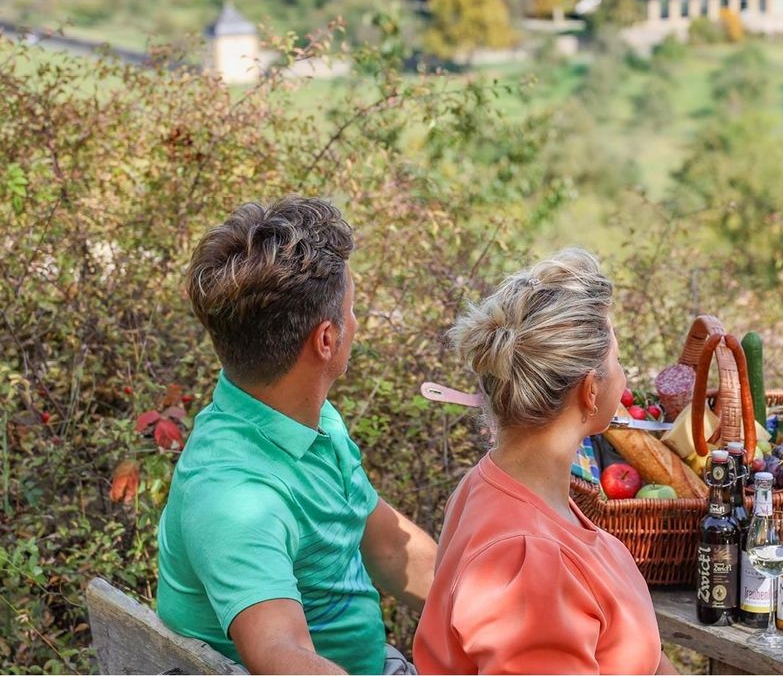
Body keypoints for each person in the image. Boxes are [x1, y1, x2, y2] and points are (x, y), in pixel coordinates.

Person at [157, 196, 438, 675]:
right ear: (326, 340)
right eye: (351, 311)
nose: (356, 324)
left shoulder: (308, 418)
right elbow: (280, 655)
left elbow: (388, 546)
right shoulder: (234, 498)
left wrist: (499, 615)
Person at [414, 248, 678, 675]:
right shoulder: (530, 560)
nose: (625, 373)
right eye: (617, 359)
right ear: (590, 391)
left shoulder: (494, 484)